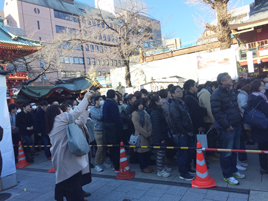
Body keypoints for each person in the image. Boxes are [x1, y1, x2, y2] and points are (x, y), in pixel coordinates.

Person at [46, 91, 94, 201]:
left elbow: (80, 121)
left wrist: (85, 106)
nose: (61, 110)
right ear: (56, 112)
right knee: (72, 182)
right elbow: (76, 112)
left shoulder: (51, 123)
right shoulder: (61, 118)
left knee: (65, 180)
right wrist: (85, 98)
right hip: (67, 158)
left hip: (59, 158)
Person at [211, 73, 245, 185]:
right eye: (229, 78)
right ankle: (227, 175)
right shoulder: (217, 94)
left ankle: (234, 170)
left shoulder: (230, 91)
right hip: (227, 127)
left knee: (235, 150)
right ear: (222, 82)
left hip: (236, 124)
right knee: (226, 152)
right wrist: (226, 125)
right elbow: (216, 112)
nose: (231, 79)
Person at [170, 86, 195, 181]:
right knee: (182, 153)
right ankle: (183, 173)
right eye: (177, 92)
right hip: (182, 133)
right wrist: (182, 132)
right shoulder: (174, 104)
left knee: (190, 151)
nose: (180, 93)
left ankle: (188, 168)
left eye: (181, 91)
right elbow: (176, 120)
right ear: (173, 94)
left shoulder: (182, 102)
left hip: (188, 131)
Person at [247, 80, 268, 175]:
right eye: (262, 85)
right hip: (263, 126)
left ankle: (263, 167)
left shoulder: (251, 96)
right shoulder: (259, 98)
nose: (264, 87)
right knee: (264, 147)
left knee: (262, 147)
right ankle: (265, 167)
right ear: (258, 87)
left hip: (257, 125)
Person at [149, 95, 172, 177]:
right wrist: (161, 138)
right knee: (160, 153)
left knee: (163, 152)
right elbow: (157, 126)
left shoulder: (159, 110)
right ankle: (160, 170)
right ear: (156, 102)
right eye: (159, 99)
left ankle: (163, 166)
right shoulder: (154, 112)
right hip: (159, 136)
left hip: (163, 134)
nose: (161, 100)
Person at [197, 82, 219, 162]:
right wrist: (213, 120)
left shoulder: (207, 93)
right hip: (208, 120)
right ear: (213, 87)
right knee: (210, 138)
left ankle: (212, 153)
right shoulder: (206, 94)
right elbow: (209, 109)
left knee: (212, 138)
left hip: (209, 119)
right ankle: (210, 154)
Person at [103, 90, 124, 173]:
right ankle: (117, 167)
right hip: (114, 129)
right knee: (116, 148)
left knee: (112, 148)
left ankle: (114, 165)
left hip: (108, 128)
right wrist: (120, 126)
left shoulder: (106, 103)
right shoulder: (112, 104)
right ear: (114, 95)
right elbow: (116, 118)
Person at [131, 99, 153, 173]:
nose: (141, 106)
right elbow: (137, 127)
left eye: (141, 104)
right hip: (140, 136)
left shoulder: (144, 113)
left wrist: (150, 131)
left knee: (146, 152)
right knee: (141, 152)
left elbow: (148, 123)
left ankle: (146, 166)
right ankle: (143, 167)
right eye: (139, 105)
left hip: (147, 135)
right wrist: (146, 134)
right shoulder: (134, 114)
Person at [91, 96, 111, 172]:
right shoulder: (93, 109)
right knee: (99, 147)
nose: (101, 101)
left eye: (102, 100)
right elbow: (100, 117)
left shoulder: (102, 108)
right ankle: (97, 164)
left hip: (104, 129)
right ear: (95, 101)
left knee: (104, 147)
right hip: (97, 130)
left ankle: (102, 161)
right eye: (99, 100)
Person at [159, 89, 177, 166]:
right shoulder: (164, 104)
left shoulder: (168, 102)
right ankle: (169, 158)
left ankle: (170, 158)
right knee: (170, 142)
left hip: (168, 126)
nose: (170, 94)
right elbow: (169, 116)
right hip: (168, 126)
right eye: (169, 93)